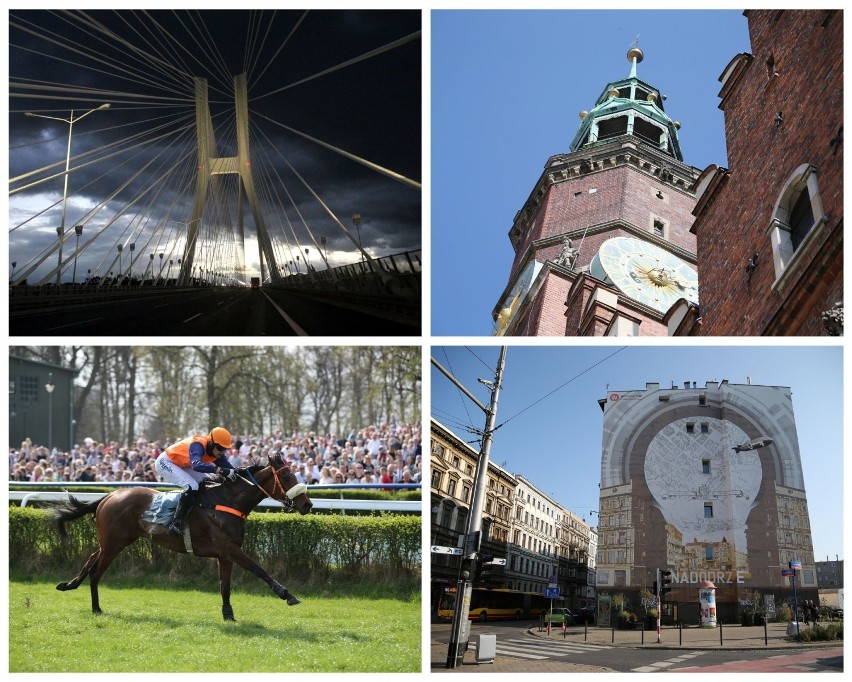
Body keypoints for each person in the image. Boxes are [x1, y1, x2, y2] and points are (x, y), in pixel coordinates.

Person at [154, 427, 237, 534]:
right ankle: (176, 522)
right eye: (221, 448)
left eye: (225, 449)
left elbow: (231, 470)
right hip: (165, 462)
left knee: (208, 481)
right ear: (211, 443)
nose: (222, 451)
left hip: (182, 464)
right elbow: (196, 465)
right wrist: (220, 471)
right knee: (192, 486)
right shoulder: (198, 445)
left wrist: (248, 472)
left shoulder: (216, 451)